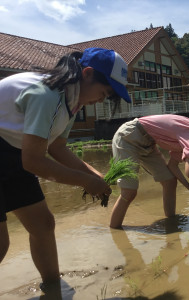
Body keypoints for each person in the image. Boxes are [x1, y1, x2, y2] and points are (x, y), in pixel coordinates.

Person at [0, 48, 131, 294]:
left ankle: (53, 290)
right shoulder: (48, 94)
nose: (102, 100)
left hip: (13, 151)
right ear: (88, 73)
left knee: (43, 224)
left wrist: (95, 176)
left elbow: (58, 148)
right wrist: (85, 182)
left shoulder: (72, 100)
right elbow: (34, 162)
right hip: (13, 151)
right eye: (104, 92)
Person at [109, 114, 189, 229]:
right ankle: (115, 230)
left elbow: (172, 166)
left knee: (170, 181)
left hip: (148, 143)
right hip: (128, 137)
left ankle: (171, 223)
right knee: (129, 192)